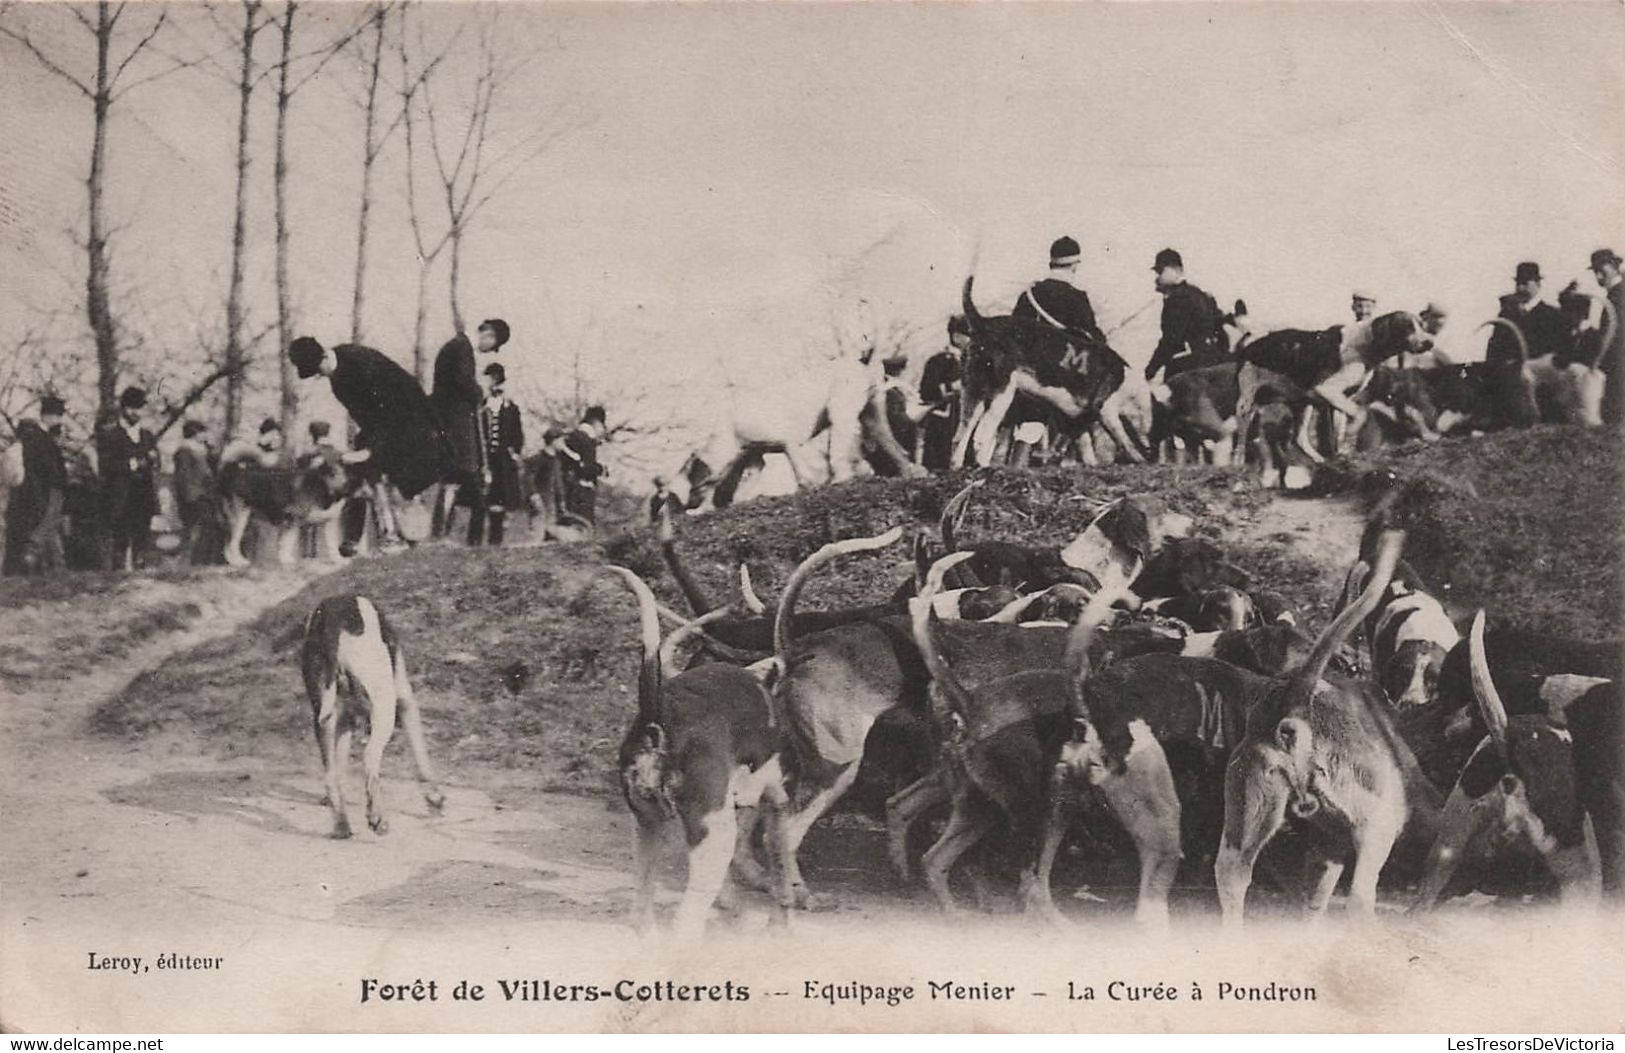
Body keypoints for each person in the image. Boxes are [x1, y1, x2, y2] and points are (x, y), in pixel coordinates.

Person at [287, 337, 452, 550]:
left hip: (412, 421)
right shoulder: (337, 382)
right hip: (386, 426)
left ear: (325, 356)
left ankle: (415, 536)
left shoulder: (361, 363)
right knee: (366, 469)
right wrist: (364, 447)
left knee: (405, 480)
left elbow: (391, 410)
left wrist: (372, 449)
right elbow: (366, 417)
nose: (320, 375)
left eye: (318, 369)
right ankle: (384, 535)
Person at [1486, 262, 1566, 428]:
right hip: (1512, 373)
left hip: (1541, 372)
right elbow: (1495, 345)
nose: (1520, 288)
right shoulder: (1507, 313)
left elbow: (1559, 347)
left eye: (1525, 283)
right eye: (1518, 283)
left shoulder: (1551, 313)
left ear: (1537, 284)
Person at [2, 393, 68, 576]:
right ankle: (35, 567)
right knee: (40, 533)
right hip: (41, 495)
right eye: (58, 415)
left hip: (30, 495)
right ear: (50, 416)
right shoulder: (41, 439)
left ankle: (45, 570)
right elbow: (49, 471)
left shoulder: (30, 438)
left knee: (39, 535)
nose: (60, 420)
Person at [97, 385, 160, 571]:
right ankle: (118, 575)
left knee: (142, 535)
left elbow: (156, 461)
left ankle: (140, 574)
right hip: (121, 494)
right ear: (124, 409)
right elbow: (105, 465)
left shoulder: (147, 435)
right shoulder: (109, 435)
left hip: (143, 492)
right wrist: (132, 464)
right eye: (132, 408)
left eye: (140, 408)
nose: (136, 412)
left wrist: (154, 460)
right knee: (121, 537)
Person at [1144, 248, 1231, 381]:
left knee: (1163, 396)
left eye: (1160, 271)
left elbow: (1171, 341)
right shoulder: (1199, 294)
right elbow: (1220, 327)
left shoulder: (1177, 299)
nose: (1157, 277)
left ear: (1176, 270)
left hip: (1190, 369)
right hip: (1216, 365)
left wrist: (1151, 368)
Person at [1012, 235, 1108, 345]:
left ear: (1051, 264)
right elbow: (1092, 341)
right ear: (1074, 266)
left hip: (1030, 360)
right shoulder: (1077, 299)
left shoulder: (1028, 295)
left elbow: (1015, 333)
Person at [469, 362, 524, 547]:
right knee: (479, 500)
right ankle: (473, 542)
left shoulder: (511, 408)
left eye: (492, 378)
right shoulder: (480, 407)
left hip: (502, 463)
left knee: (499, 501)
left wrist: (514, 453)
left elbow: (517, 435)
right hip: (483, 461)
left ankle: (495, 542)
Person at [919, 316, 966, 471]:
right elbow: (927, 391)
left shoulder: (972, 361)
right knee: (939, 466)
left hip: (963, 419)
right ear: (956, 336)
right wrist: (952, 387)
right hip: (943, 422)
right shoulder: (939, 360)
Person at [172, 419, 219, 565]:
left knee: (206, 529)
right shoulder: (184, 451)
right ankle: (190, 562)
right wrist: (191, 496)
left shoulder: (202, 450)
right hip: (194, 497)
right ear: (195, 433)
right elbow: (184, 477)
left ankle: (201, 561)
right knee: (195, 530)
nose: (205, 435)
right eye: (202, 432)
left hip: (204, 495)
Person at [1591, 248, 1624, 426]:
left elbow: (1616, 335)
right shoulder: (1614, 294)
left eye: (1601, 271)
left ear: (1613, 267)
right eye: (1595, 272)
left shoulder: (1620, 294)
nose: (1598, 277)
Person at [561, 405, 607, 527]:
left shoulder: (573, 436)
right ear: (597, 424)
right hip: (581, 491)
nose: (602, 431)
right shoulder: (586, 439)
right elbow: (586, 467)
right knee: (584, 526)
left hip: (568, 488)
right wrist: (601, 469)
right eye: (603, 427)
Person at [531, 426, 567, 535]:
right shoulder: (539, 459)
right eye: (561, 441)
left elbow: (558, 484)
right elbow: (529, 478)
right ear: (554, 441)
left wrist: (561, 500)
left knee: (551, 534)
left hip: (552, 506)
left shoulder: (556, 461)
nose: (563, 444)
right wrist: (534, 495)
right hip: (540, 504)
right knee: (538, 534)